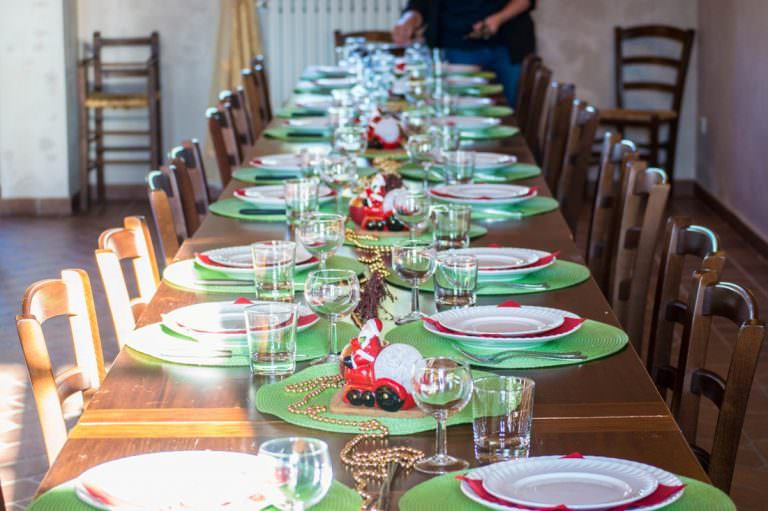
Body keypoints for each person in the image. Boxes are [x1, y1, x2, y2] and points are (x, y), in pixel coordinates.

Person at [392, 0, 536, 106]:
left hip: (508, 45)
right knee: (459, 109)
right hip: (456, 46)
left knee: (512, 113)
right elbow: (418, 6)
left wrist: (497, 20)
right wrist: (407, 21)